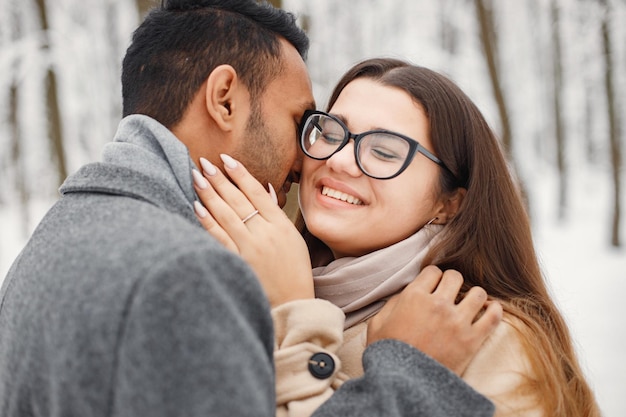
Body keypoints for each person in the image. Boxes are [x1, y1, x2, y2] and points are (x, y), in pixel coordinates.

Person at [0, 2, 501, 416]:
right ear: (224, 100)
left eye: (383, 151)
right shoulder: (186, 273)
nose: (310, 162)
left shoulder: (52, 240)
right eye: (299, 120)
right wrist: (408, 373)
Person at [193, 58, 601, 416]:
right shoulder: (258, 290)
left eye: (385, 151)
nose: (338, 160)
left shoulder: (484, 335)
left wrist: (296, 311)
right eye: (331, 133)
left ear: (449, 203)